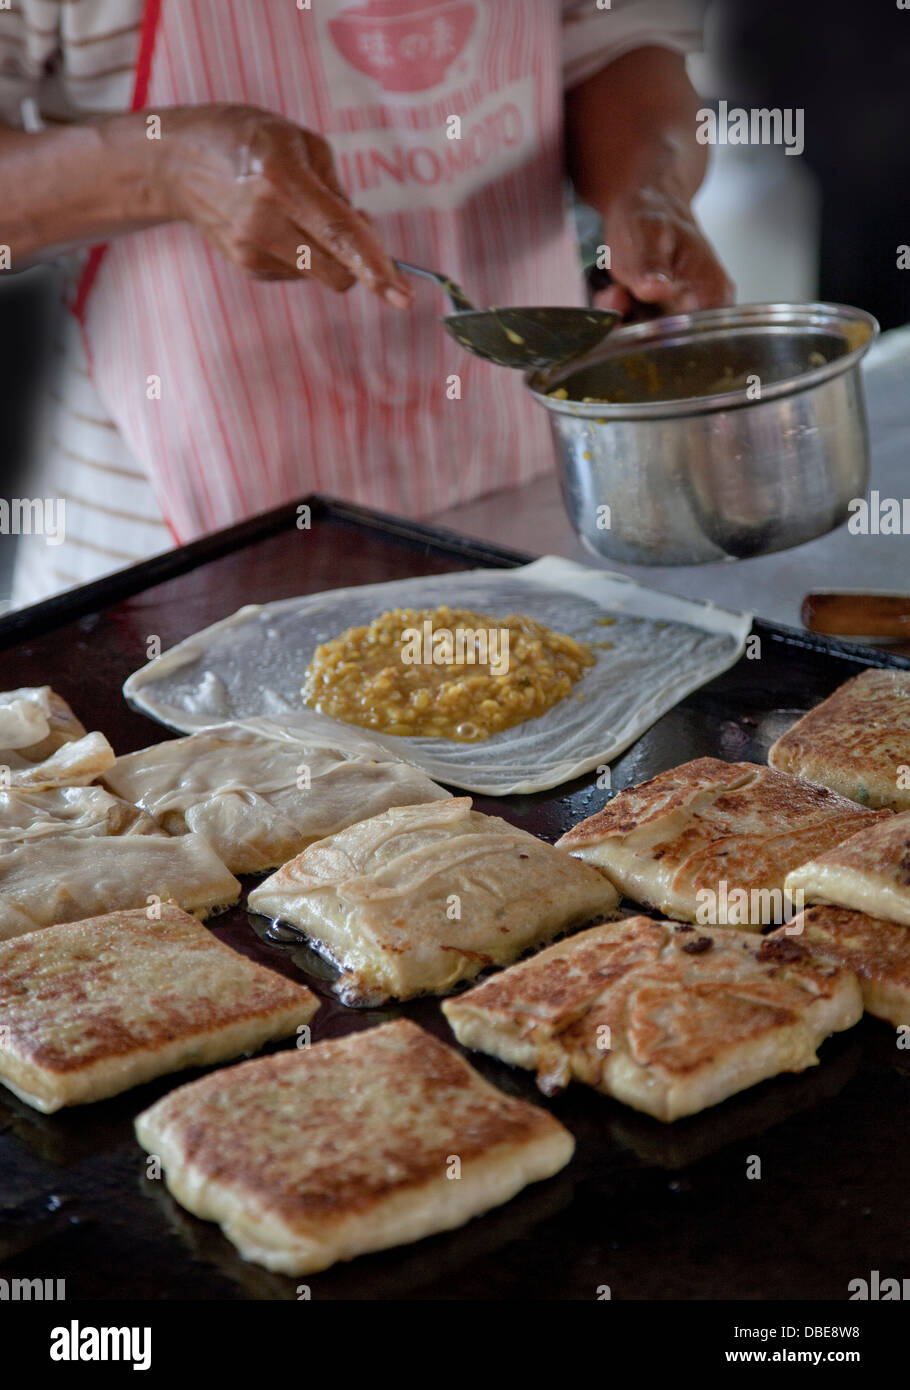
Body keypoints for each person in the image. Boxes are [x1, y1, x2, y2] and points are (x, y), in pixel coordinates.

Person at [0, 0, 732, 607]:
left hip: (524, 512)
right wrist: (165, 166)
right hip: (169, 570)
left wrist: (648, 189)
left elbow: (619, 40)